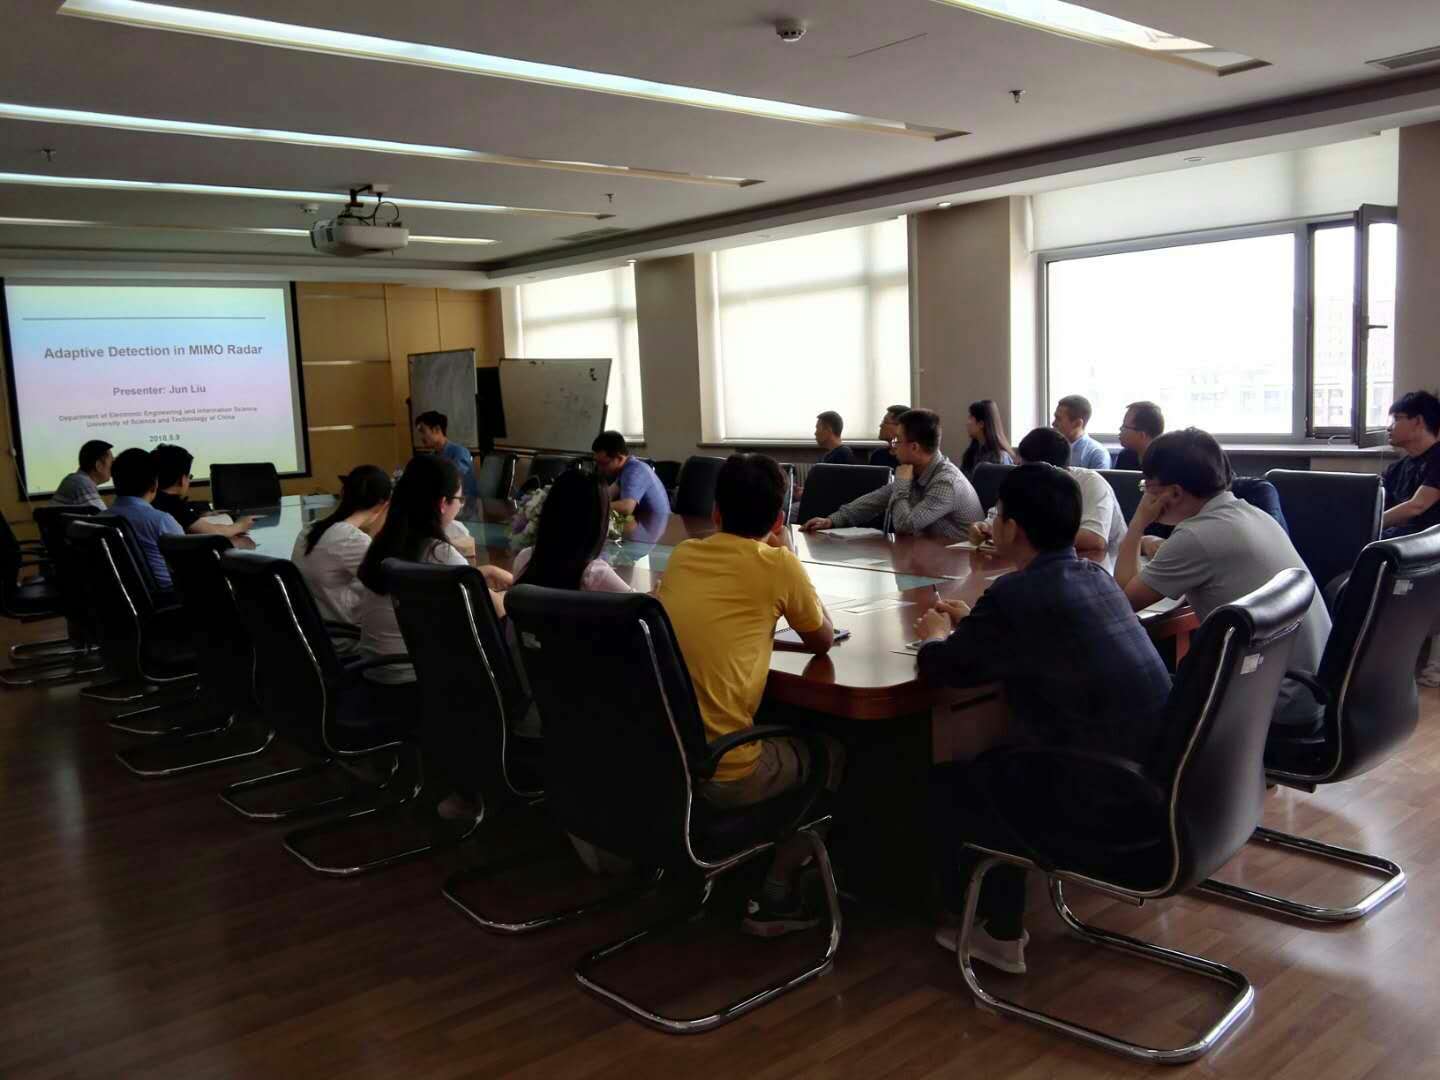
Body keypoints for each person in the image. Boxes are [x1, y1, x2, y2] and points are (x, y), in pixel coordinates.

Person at [914, 463, 1172, 974]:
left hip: (1107, 798)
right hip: (1164, 781)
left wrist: (935, 636)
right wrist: (977, 624)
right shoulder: (1094, 576)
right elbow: (1034, 635)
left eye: (998, 515)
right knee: (1003, 760)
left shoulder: (1017, 594)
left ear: (1013, 529)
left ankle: (998, 931)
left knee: (954, 779)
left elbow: (945, 670)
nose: (993, 523)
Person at [658, 453, 841, 937]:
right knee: (831, 753)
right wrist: (789, 559)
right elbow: (822, 639)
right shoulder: (777, 564)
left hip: (666, 758)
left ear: (715, 512)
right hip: (726, 769)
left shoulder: (683, 555)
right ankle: (776, 895)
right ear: (779, 520)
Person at [1115, 428, 1331, 733]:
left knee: (1125, 698)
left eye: (1146, 487)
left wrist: (1138, 522)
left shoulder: (1196, 536)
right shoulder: (1253, 514)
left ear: (1173, 493)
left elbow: (1121, 601)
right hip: (1309, 691)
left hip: (1273, 705)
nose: (1144, 496)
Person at [354, 455, 510, 687]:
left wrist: (479, 574)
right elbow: (496, 609)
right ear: (442, 503)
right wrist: (512, 592)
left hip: (375, 673)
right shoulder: (439, 553)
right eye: (459, 499)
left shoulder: (384, 544)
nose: (460, 505)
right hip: (417, 680)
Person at [803, 409, 983, 540]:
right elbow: (875, 500)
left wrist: (902, 484)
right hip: (931, 555)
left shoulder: (946, 482)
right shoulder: (916, 470)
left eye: (898, 441)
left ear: (914, 447)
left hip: (962, 564)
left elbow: (905, 526)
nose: (893, 446)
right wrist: (831, 521)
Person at [971, 427, 1123, 571]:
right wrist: (984, 528)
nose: (1019, 472)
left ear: (1044, 469)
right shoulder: (1025, 484)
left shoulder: (1091, 483)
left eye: (1023, 466)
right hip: (1041, 565)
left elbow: (1095, 540)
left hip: (1103, 569)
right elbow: (1001, 518)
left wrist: (1022, 537)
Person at [291, 465, 392, 625]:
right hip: (344, 631)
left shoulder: (309, 529)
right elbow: (387, 587)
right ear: (383, 504)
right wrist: (378, 531)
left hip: (314, 625)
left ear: (344, 493)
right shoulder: (351, 540)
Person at [99, 447, 182, 590]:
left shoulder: (99, 519)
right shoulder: (160, 520)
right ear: (154, 485)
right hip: (170, 595)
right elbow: (188, 564)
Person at [150, 444, 254, 538]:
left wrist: (197, 517)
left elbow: (185, 521)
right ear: (182, 480)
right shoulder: (174, 505)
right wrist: (241, 525)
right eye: (189, 477)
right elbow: (215, 532)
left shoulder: (152, 499)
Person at [1381, 390, 1440, 538]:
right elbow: (1378, 503)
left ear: (1418, 421)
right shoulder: (1396, 468)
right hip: (1397, 538)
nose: (1389, 427)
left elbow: (1417, 506)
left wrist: (1369, 523)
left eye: (1396, 419)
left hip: (1428, 542)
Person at [591, 430, 669, 519]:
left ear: (619, 458)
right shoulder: (625, 469)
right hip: (648, 522)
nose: (600, 469)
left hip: (660, 523)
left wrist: (593, 507)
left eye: (603, 464)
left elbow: (626, 507)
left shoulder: (634, 470)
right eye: (597, 463)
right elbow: (607, 495)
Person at [414, 410, 480, 500]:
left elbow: (450, 481)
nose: (421, 437)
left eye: (423, 431)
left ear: (436, 429)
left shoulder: (460, 452)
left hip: (464, 503)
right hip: (444, 501)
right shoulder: (432, 456)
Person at [959, 399, 1015, 477]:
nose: (967, 423)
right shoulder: (971, 454)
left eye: (971, 417)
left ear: (981, 424)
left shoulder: (1001, 458)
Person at [1052, 394, 1110, 470]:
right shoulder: (1049, 448)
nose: (1053, 423)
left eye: (1058, 419)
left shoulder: (1097, 454)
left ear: (1077, 424)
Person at [52, 439, 113, 510]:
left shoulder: (73, 480)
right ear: (98, 465)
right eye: (111, 462)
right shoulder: (83, 483)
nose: (114, 467)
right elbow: (103, 515)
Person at [1114, 401, 1164, 470]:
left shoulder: (1168, 462)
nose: (1120, 428)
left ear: (1142, 435)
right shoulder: (1125, 456)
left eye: (1125, 426)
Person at [869, 404, 910, 469]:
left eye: (885, 422)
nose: (881, 425)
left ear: (899, 427)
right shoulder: (878, 455)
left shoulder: (910, 459)